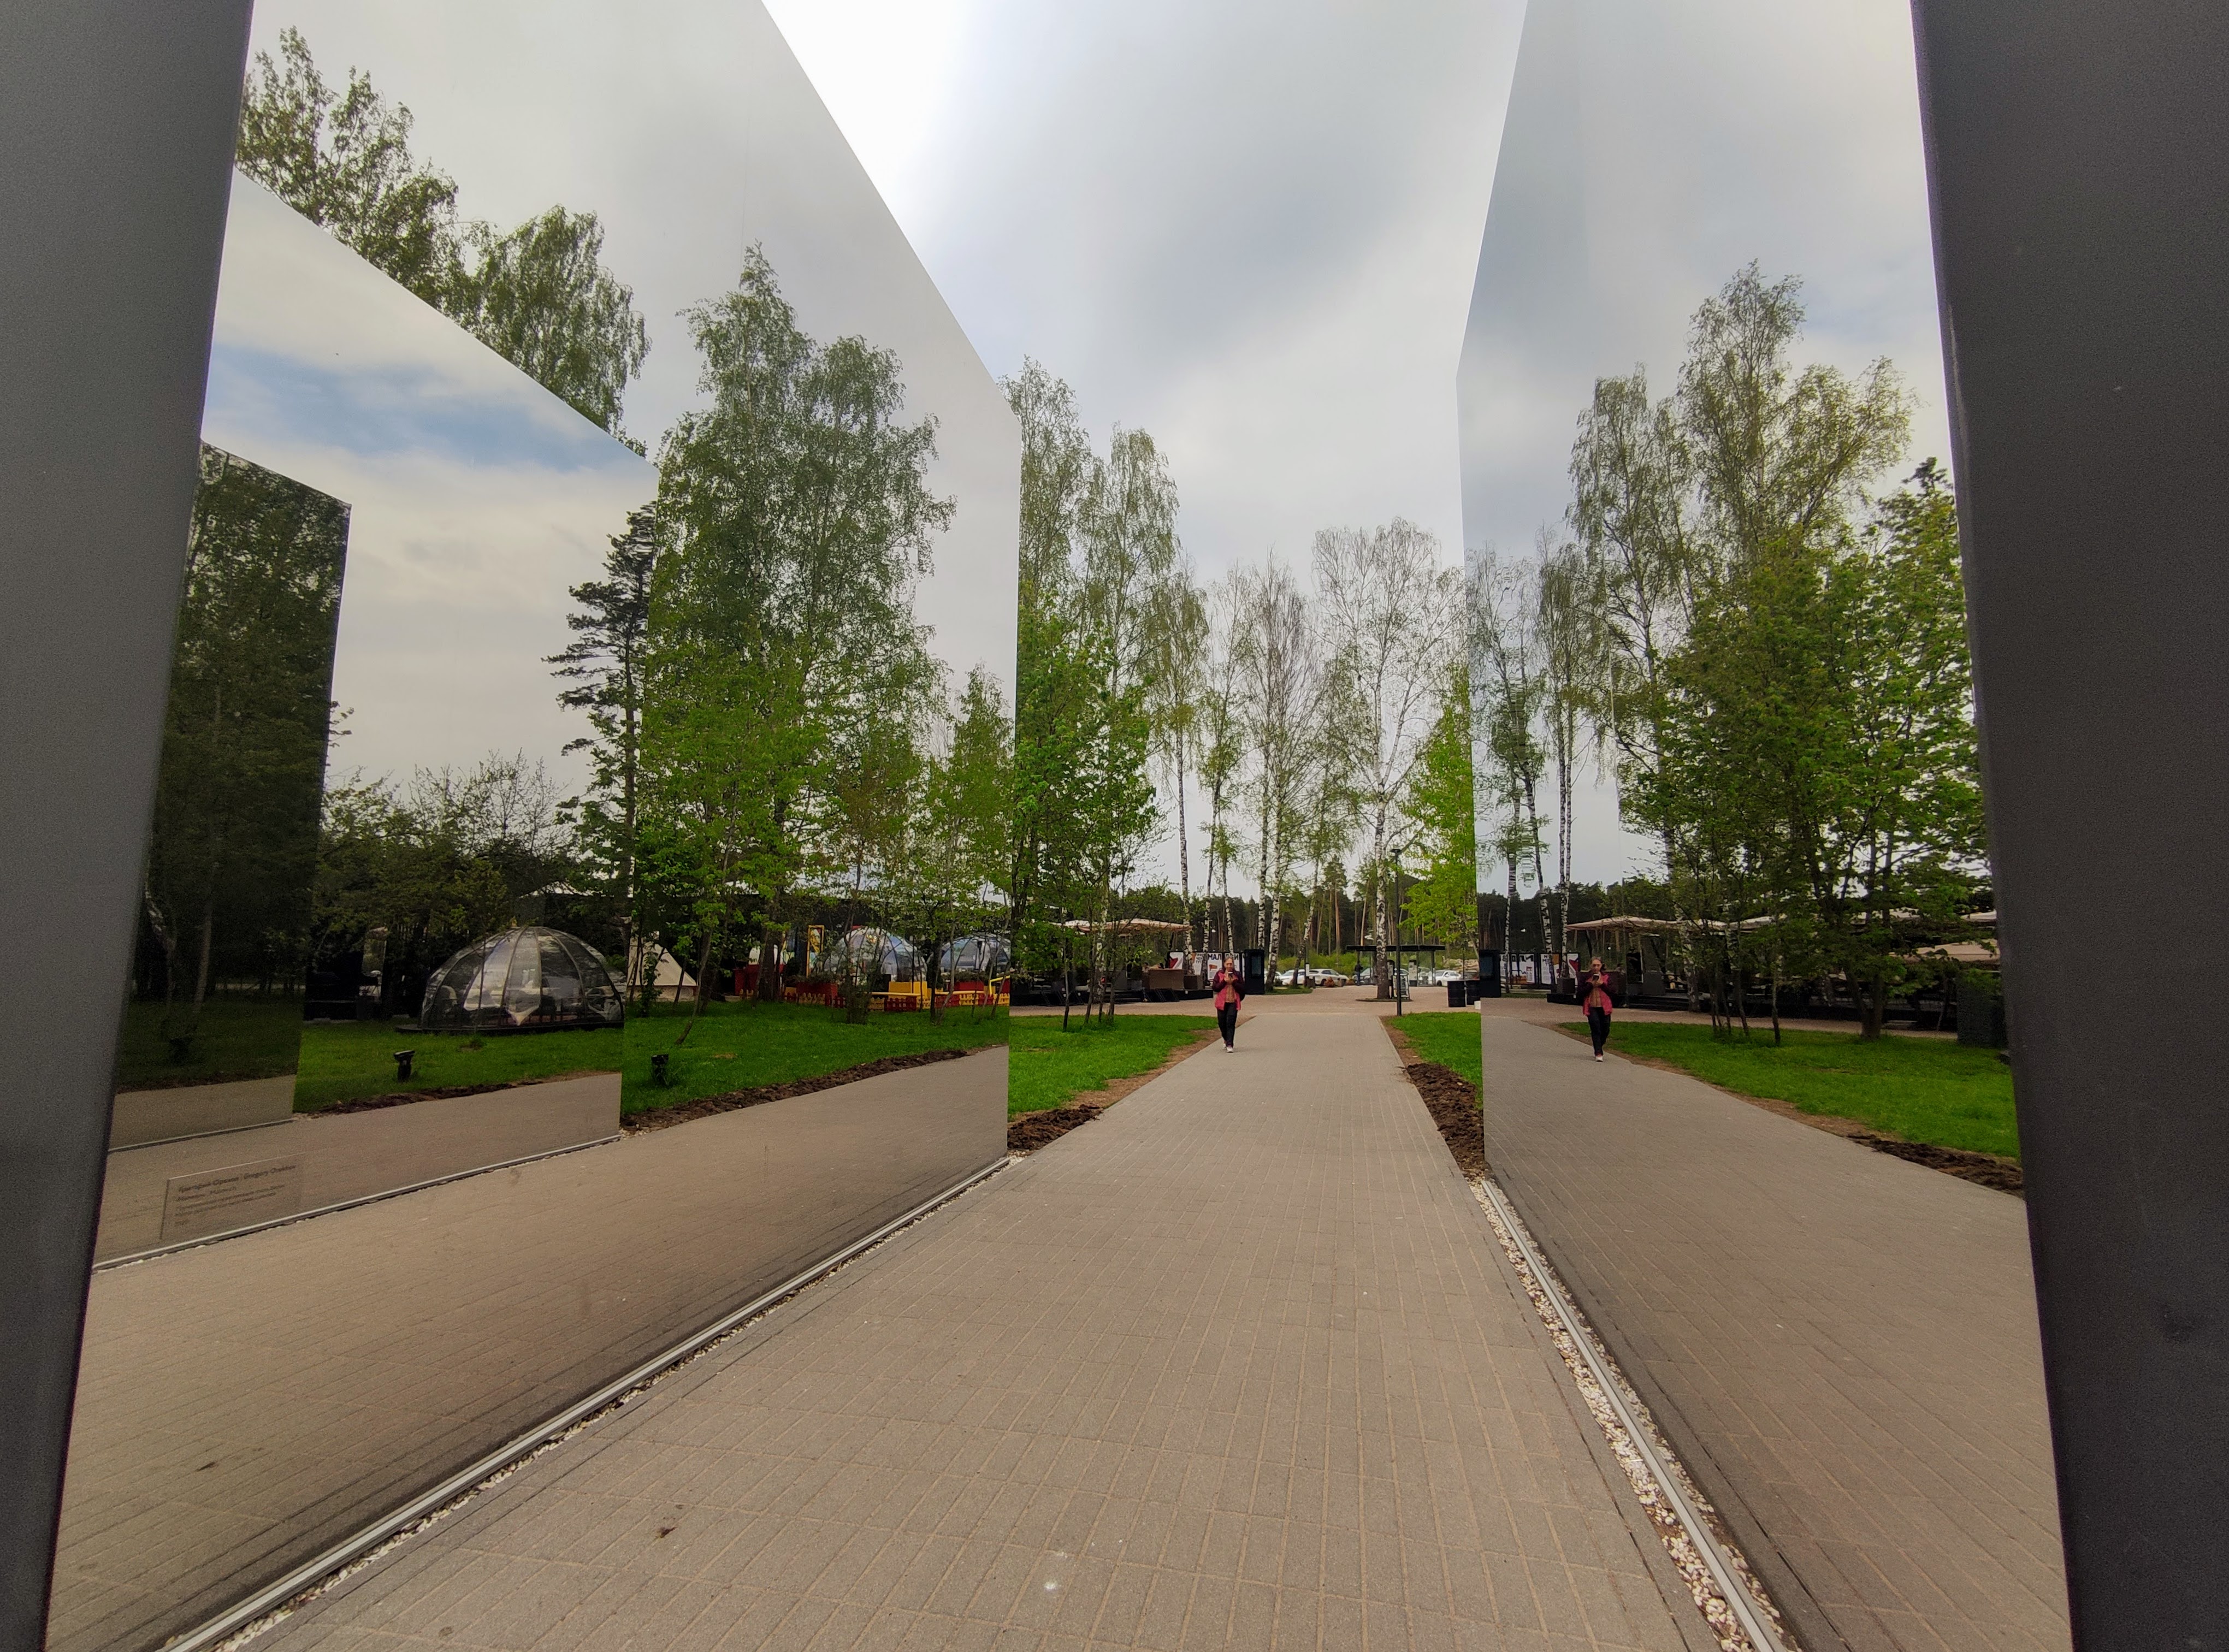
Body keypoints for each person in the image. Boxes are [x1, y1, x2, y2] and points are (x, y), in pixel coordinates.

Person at [1581, 956, 1615, 1061]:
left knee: (1605, 1029)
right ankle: (1598, 1053)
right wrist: (1591, 985)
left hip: (1604, 1007)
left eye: (1598, 965)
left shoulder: (1606, 977)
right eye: (1594, 965)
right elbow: (1580, 993)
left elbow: (1613, 992)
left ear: (1601, 966)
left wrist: (1602, 985)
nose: (1596, 967)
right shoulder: (1586, 978)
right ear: (1590, 966)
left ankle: (1600, 1044)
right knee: (1596, 1028)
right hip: (1592, 1007)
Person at [1213, 959, 1244, 1051]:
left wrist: (1234, 982)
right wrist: (1224, 982)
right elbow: (1215, 988)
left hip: (1233, 1002)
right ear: (1224, 964)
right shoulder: (1219, 974)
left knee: (1231, 1022)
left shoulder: (1237, 975)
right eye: (1228, 964)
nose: (1230, 966)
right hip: (1222, 1002)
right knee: (1222, 1023)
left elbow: (1243, 989)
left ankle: (1230, 1044)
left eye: (1231, 964)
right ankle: (1226, 1039)